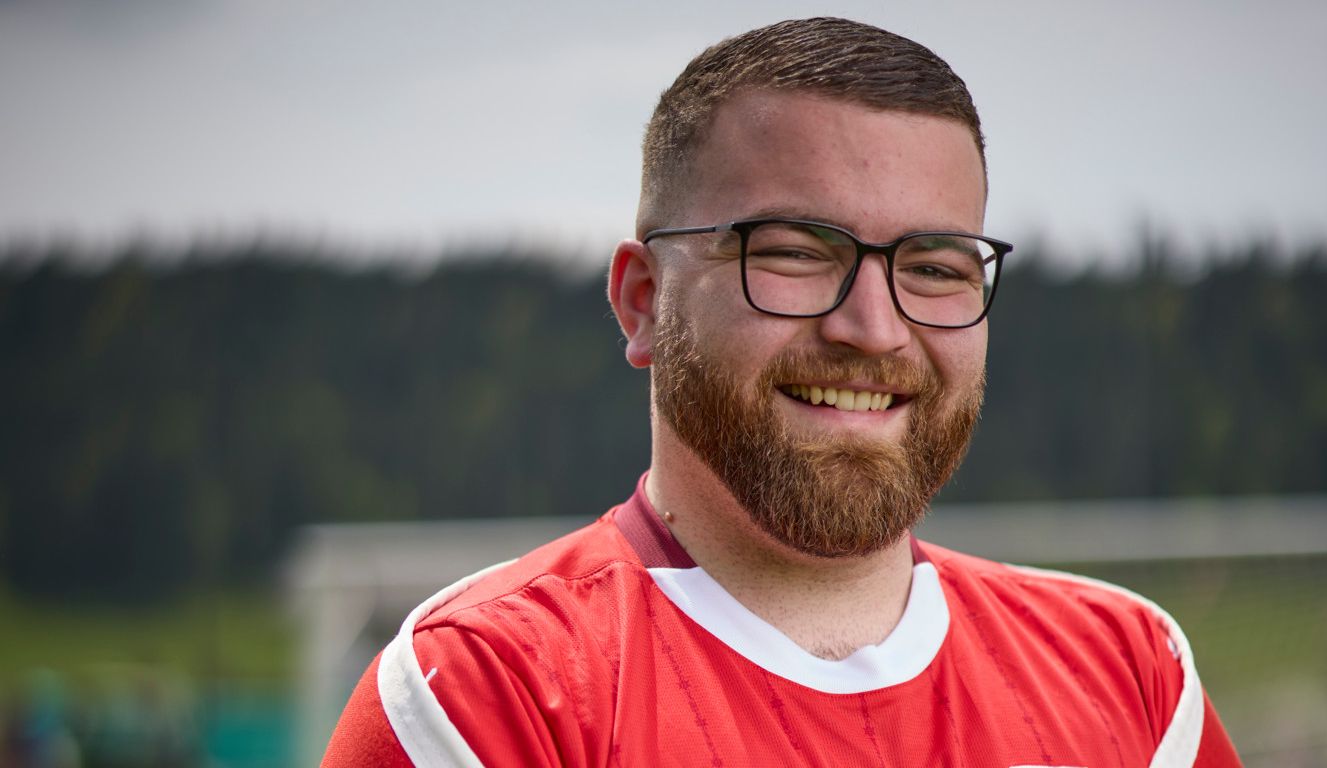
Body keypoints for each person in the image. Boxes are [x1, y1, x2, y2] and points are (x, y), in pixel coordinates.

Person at [322, 17, 1242, 767]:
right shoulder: (486, 697)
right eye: (797, 254)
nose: (874, 329)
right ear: (644, 302)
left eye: (933, 266)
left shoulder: (1131, 681)